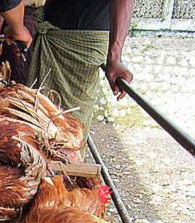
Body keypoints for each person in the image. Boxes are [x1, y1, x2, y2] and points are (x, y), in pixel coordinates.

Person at [23, 0, 134, 133]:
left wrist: (115, 56)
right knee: (35, 118)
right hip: (49, 32)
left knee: (69, 130)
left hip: (82, 43)